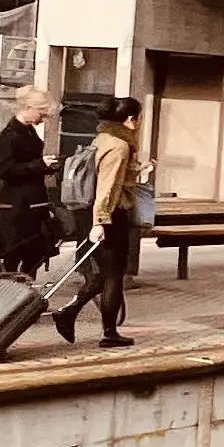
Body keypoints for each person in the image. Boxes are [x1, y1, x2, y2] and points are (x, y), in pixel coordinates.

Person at [52, 98, 147, 348]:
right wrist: (101, 221)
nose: (140, 122)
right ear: (131, 120)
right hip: (109, 215)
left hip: (91, 212)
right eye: (139, 117)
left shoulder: (102, 138)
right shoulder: (120, 146)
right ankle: (107, 331)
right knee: (113, 274)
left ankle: (71, 313)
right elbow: (108, 186)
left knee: (105, 273)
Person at [0, 91, 60, 276]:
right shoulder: (10, 135)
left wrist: (47, 166)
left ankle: (25, 287)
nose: (43, 119)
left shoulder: (28, 130)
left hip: (31, 202)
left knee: (33, 252)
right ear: (28, 108)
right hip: (17, 204)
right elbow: (5, 170)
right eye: (41, 114)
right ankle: (11, 288)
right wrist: (39, 165)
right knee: (15, 252)